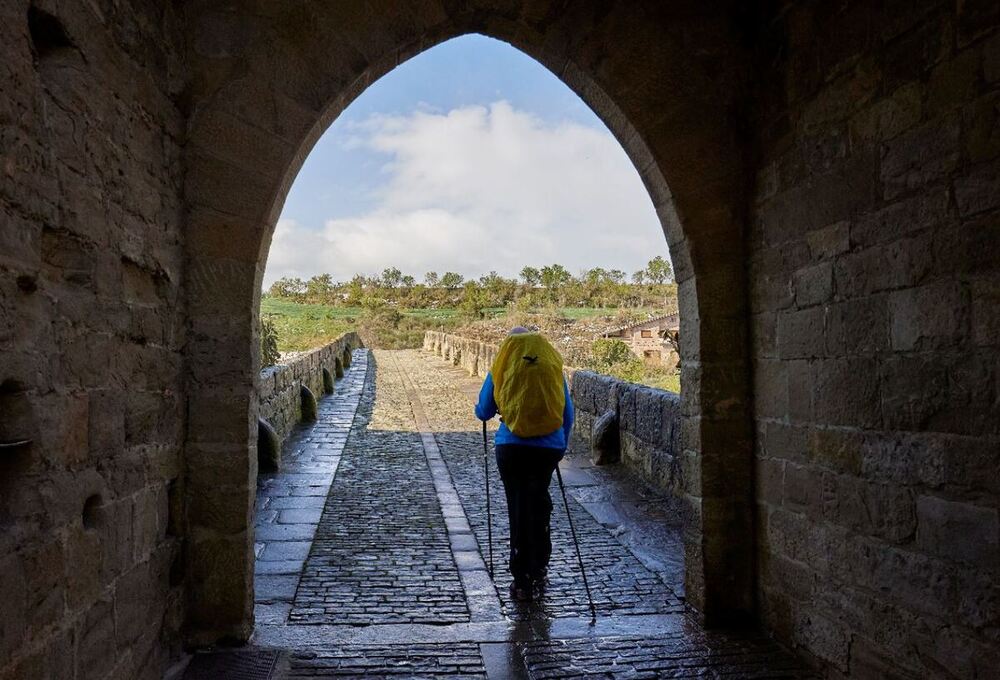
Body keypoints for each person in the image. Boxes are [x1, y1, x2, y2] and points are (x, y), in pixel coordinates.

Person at [475, 327, 574, 601]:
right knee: (540, 502)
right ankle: (540, 564)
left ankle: (521, 580)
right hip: (548, 449)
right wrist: (560, 444)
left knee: (518, 507)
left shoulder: (503, 364)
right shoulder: (551, 366)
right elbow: (567, 412)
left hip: (512, 447)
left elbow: (483, 410)